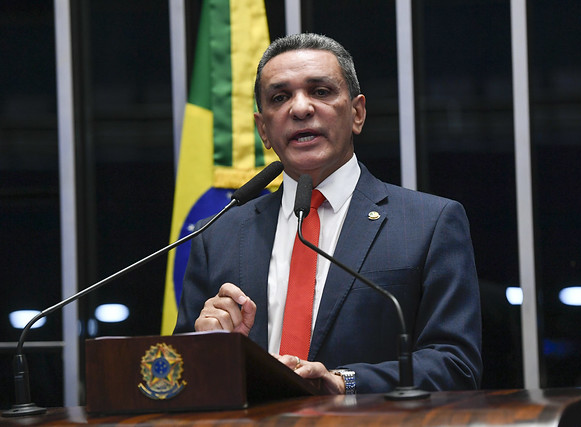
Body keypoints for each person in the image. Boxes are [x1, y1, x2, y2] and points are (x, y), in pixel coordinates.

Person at [174, 33, 482, 395]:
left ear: (357, 113)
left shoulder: (428, 223)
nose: (300, 108)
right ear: (263, 130)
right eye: (280, 97)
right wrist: (211, 348)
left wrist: (344, 382)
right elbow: (180, 379)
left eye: (320, 91)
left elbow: (455, 364)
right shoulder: (217, 234)